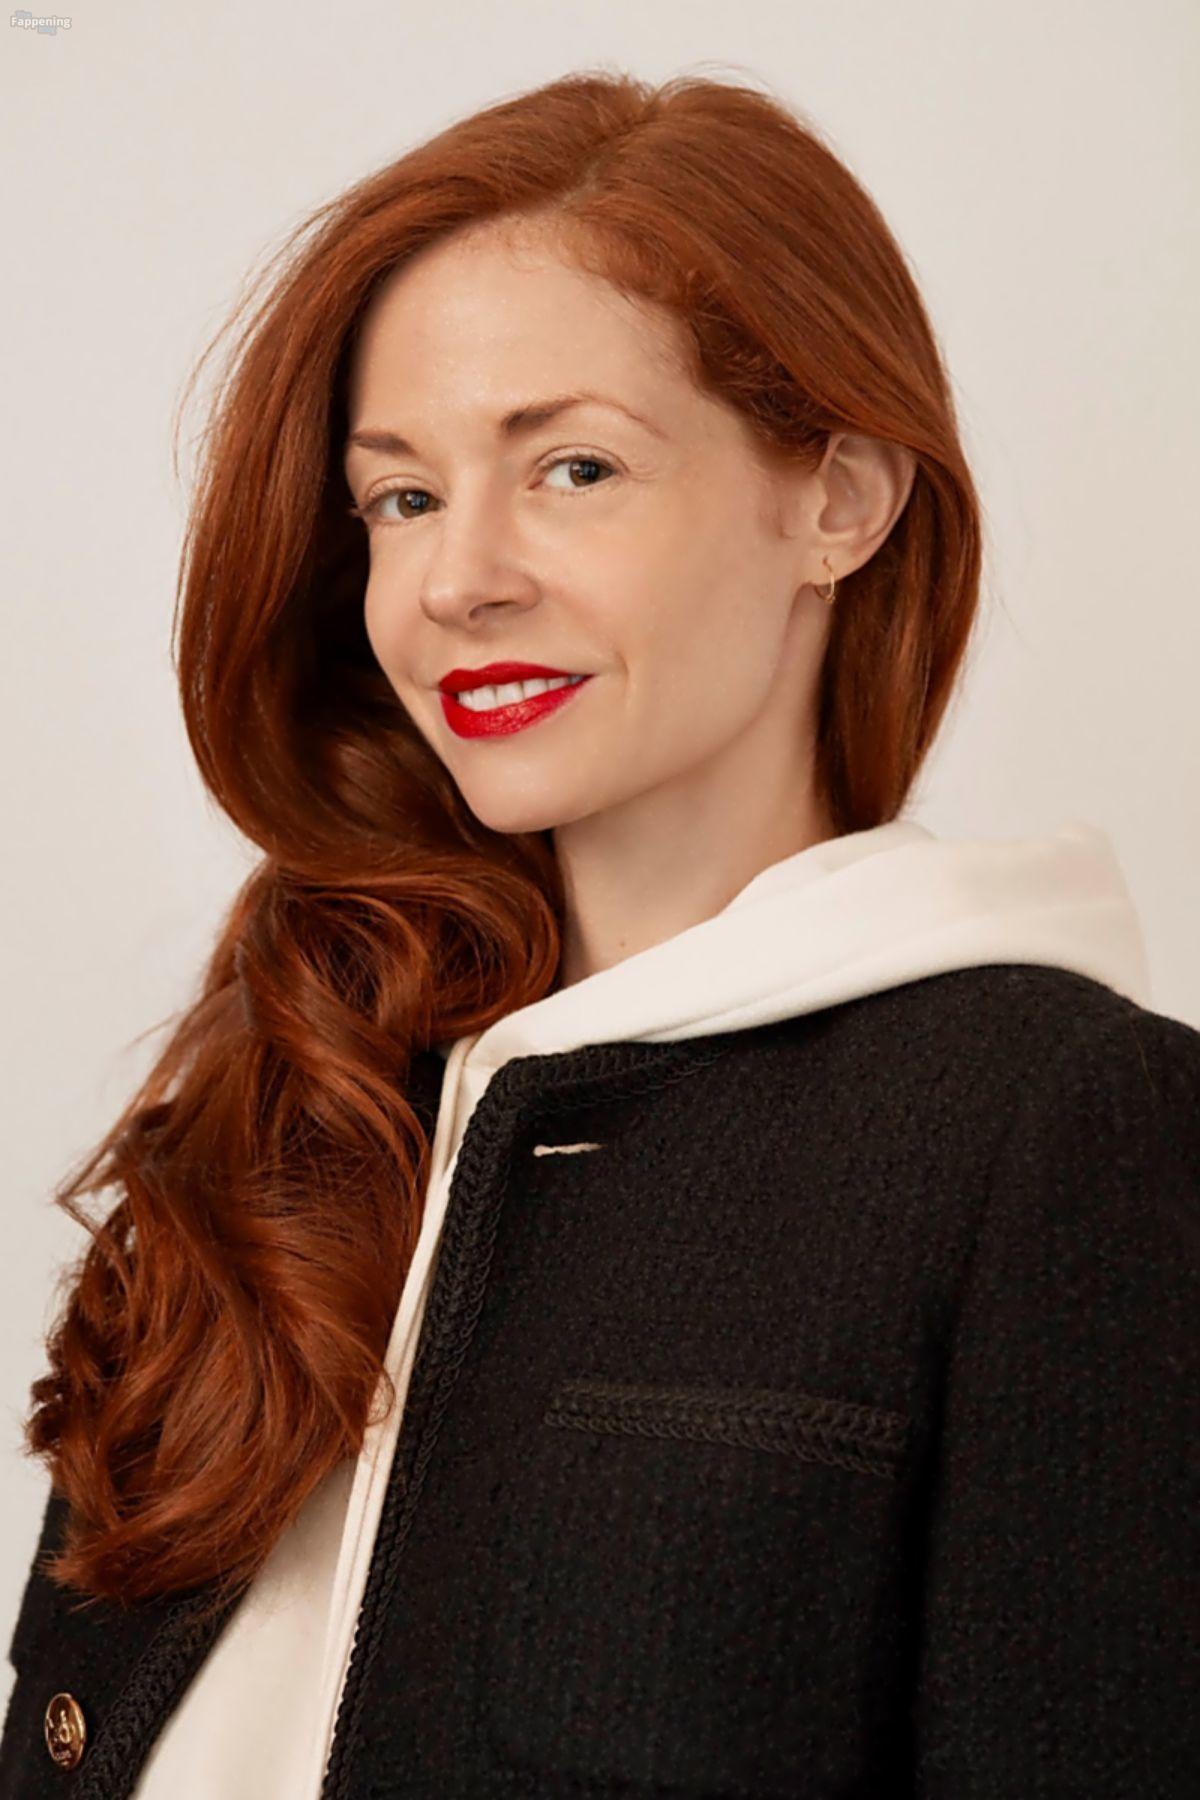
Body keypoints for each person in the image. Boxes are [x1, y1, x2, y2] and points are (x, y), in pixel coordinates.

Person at [2, 67, 1197, 1800]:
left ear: (841, 500)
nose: (456, 578)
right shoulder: (296, 1096)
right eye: (401, 497)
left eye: (573, 468)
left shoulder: (1053, 1128)